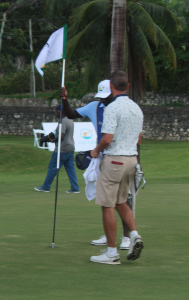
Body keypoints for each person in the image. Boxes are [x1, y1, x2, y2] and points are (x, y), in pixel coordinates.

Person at [60, 80, 134, 250]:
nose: (103, 100)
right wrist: (65, 99)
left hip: (121, 156)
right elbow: (70, 114)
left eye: (106, 96)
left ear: (113, 92)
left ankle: (126, 237)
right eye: (101, 97)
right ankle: (110, 236)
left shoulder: (121, 108)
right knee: (106, 199)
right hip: (103, 158)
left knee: (122, 199)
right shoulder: (95, 106)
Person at [89, 70, 144, 265]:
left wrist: (95, 151)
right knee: (122, 202)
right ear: (127, 86)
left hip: (115, 160)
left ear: (111, 87)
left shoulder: (112, 108)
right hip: (132, 160)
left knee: (107, 205)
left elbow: (107, 139)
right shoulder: (137, 108)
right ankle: (134, 234)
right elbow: (138, 139)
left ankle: (112, 253)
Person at [34, 105, 80, 193]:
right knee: (70, 169)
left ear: (61, 112)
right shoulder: (70, 119)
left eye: (56, 111)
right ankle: (75, 187)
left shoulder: (62, 121)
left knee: (52, 167)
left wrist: (52, 140)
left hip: (61, 149)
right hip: (70, 148)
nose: (55, 113)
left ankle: (46, 187)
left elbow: (61, 136)